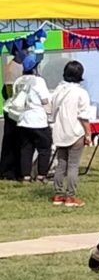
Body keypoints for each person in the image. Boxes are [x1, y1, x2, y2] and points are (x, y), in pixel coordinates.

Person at [50, 60, 92, 207]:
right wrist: (88, 134)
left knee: (61, 164)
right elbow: (83, 116)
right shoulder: (81, 93)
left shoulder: (58, 90)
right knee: (73, 165)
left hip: (60, 131)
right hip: (75, 132)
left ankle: (58, 194)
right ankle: (70, 197)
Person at [12, 54, 51, 183]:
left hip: (23, 120)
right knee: (44, 149)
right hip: (38, 120)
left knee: (26, 149)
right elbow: (45, 100)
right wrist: (50, 114)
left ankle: (26, 176)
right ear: (35, 67)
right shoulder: (38, 81)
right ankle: (41, 176)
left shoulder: (18, 81)